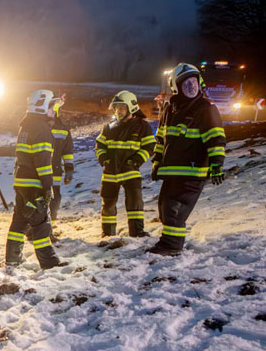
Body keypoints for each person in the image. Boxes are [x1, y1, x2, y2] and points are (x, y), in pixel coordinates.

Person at [149, 63, 226, 255]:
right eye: (186, 84)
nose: (191, 87)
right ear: (177, 88)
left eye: (194, 82)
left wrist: (217, 164)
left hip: (193, 171)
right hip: (171, 171)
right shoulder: (169, 109)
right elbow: (161, 139)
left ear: (200, 83)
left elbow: (216, 138)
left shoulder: (206, 108)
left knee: (175, 209)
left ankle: (172, 247)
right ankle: (167, 243)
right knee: (165, 208)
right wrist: (157, 162)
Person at [4, 89, 63, 270]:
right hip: (35, 184)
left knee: (20, 220)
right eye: (52, 107)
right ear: (43, 107)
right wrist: (47, 186)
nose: (54, 111)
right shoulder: (42, 129)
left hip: (21, 182)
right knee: (40, 223)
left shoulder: (26, 126)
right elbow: (43, 161)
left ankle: (12, 259)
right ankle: (50, 263)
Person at [94, 90, 156, 237]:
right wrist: (104, 160)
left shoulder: (142, 126)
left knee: (135, 203)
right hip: (110, 172)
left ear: (131, 108)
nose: (118, 111)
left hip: (130, 171)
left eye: (121, 108)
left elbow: (149, 146)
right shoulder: (108, 127)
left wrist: (137, 160)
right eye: (116, 108)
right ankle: (107, 233)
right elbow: (99, 145)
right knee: (108, 204)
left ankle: (137, 232)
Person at [49, 97, 74, 222]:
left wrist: (69, 170)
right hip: (37, 172)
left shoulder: (63, 129)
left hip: (55, 172)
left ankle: (49, 229)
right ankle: (34, 230)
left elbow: (67, 152)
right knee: (39, 201)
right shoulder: (38, 126)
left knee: (55, 199)